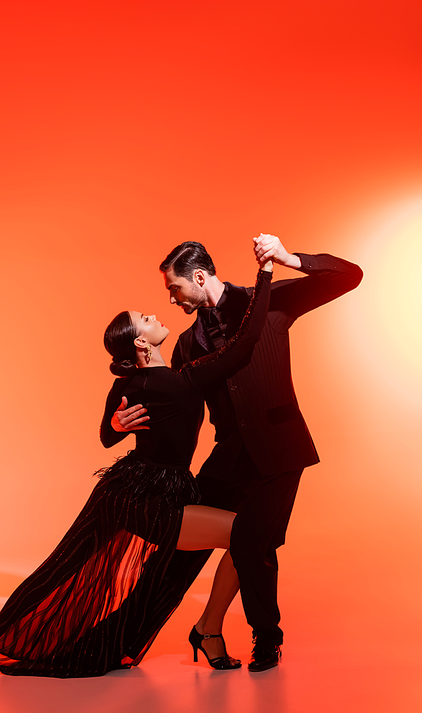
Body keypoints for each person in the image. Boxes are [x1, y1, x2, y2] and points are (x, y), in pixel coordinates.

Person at [0, 246, 273, 678]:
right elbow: (245, 345)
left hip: (132, 490)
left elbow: (105, 437)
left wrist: (117, 425)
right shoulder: (180, 382)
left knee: (63, 565)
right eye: (146, 318)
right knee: (245, 536)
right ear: (142, 342)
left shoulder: (147, 380)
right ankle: (207, 629)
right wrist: (265, 275)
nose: (156, 315)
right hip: (150, 498)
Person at [107, 234, 363, 672]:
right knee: (180, 548)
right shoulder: (186, 344)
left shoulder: (269, 302)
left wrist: (287, 258)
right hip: (228, 457)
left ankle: (266, 639)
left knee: (256, 546)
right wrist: (118, 423)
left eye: (175, 289)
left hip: (280, 450)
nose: (171, 300)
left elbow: (349, 276)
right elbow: (173, 407)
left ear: (199, 276)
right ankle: (126, 635)